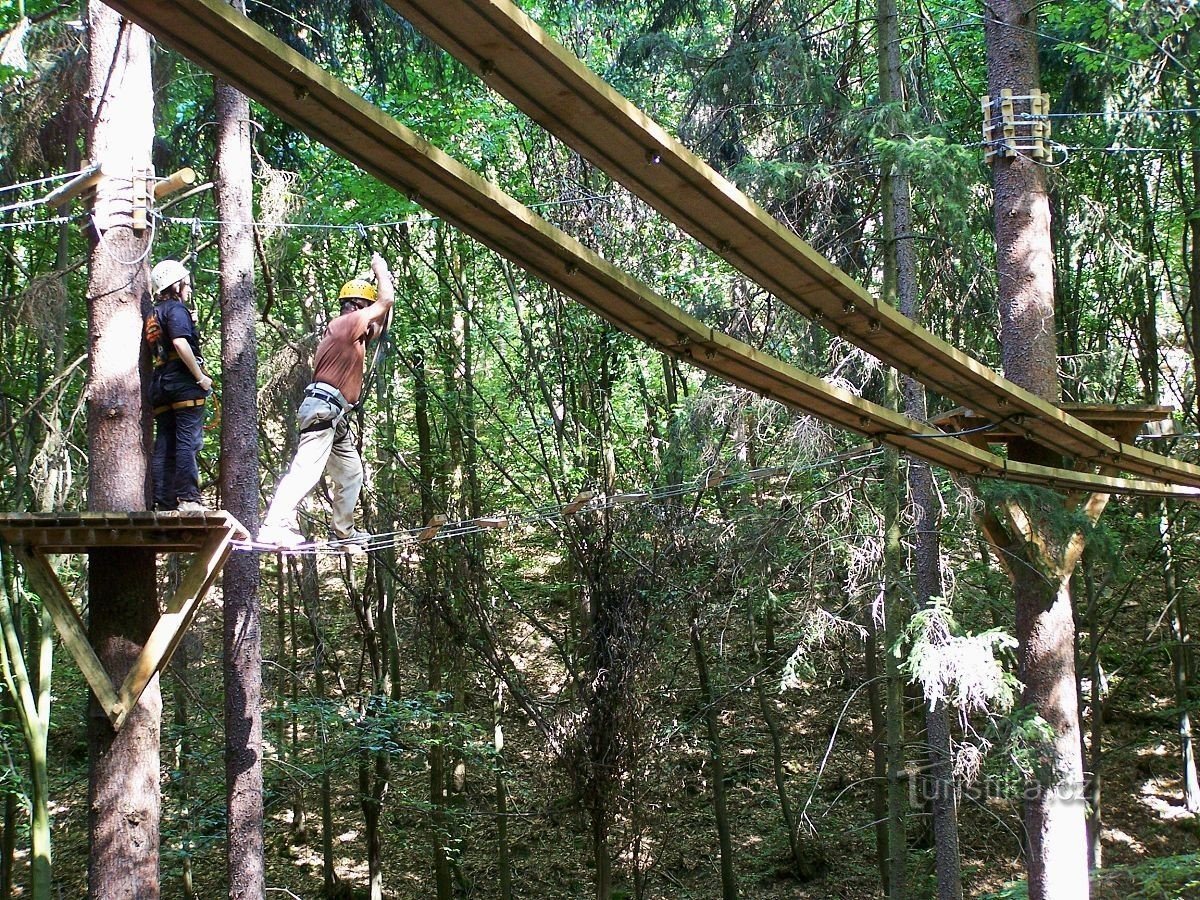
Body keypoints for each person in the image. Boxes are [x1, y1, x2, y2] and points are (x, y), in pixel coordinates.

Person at [258, 252, 395, 548]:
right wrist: (380, 269)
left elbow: (382, 321)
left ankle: (344, 532)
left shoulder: (352, 332)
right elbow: (385, 304)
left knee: (351, 472)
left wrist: (382, 282)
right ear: (360, 308)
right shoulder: (345, 325)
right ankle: (273, 524)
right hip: (324, 409)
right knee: (307, 469)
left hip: (335, 415)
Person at [146, 258, 213, 513]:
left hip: (161, 384)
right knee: (187, 441)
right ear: (176, 284)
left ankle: (163, 501)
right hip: (183, 383)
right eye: (186, 283)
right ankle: (188, 499)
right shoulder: (176, 310)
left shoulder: (154, 313)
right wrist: (200, 377)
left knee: (165, 442)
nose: (189, 287)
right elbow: (180, 344)